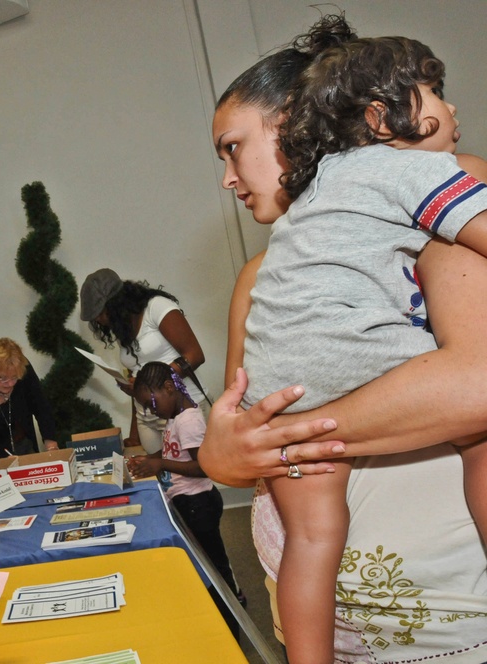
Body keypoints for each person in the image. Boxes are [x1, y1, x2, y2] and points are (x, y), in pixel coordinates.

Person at [205, 16, 487, 662]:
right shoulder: (261, 276)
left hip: (446, 630)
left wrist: (284, 437)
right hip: (328, 632)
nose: (226, 178)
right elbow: (235, 442)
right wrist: (227, 452)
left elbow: (478, 386)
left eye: (232, 147)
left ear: (298, 121)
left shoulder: (444, 182)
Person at [126, 362, 243, 608]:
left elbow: (202, 467)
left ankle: (233, 608)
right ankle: (219, 604)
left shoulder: (188, 420)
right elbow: (175, 453)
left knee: (215, 565)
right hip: (187, 501)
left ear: (169, 387)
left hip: (199, 503)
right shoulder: (174, 417)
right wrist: (151, 460)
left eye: (151, 403)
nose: (149, 411)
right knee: (204, 562)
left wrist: (161, 465)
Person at [79, 268, 208, 453]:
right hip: (146, 418)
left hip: (183, 410)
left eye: (101, 312)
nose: (99, 320)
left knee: (191, 478)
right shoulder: (123, 326)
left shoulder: (157, 308)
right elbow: (136, 380)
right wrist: (134, 434)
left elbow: (194, 355)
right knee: (158, 478)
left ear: (117, 302)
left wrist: (146, 383)